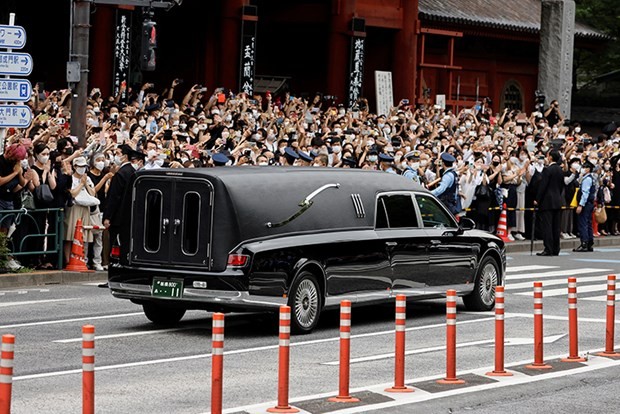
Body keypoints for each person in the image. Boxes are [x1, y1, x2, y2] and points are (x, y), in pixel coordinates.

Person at [535, 150, 564, 256]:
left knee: (547, 226)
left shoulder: (548, 170)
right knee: (556, 226)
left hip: (547, 201)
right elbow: (561, 186)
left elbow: (543, 186)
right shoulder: (560, 170)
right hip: (558, 200)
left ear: (550, 157)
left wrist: (537, 199)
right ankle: (556, 248)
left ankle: (548, 248)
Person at [574, 160, 596, 252]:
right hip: (590, 203)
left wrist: (580, 205)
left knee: (583, 223)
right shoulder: (591, 178)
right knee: (588, 223)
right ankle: (589, 242)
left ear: (588, 169)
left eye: (584, 167)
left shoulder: (587, 179)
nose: (582, 169)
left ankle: (584, 243)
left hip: (586, 204)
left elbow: (585, 193)